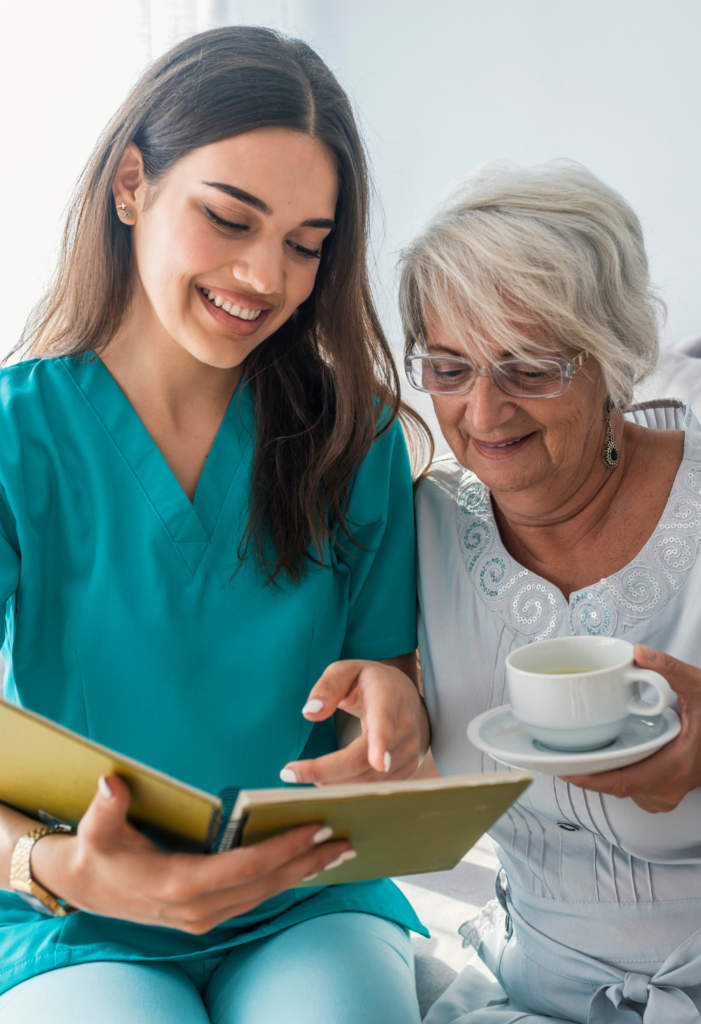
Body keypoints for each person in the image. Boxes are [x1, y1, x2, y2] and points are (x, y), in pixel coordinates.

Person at [0, 27, 432, 1024]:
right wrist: (47, 861)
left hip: (306, 895)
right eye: (229, 219)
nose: (263, 278)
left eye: (304, 246)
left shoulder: (348, 432)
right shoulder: (20, 439)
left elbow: (389, 681)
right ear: (131, 184)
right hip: (77, 908)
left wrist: (394, 714)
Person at [401, 161, 701, 1023]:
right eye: (449, 368)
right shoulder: (419, 526)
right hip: (525, 992)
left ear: (611, 358)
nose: (484, 415)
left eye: (530, 369)